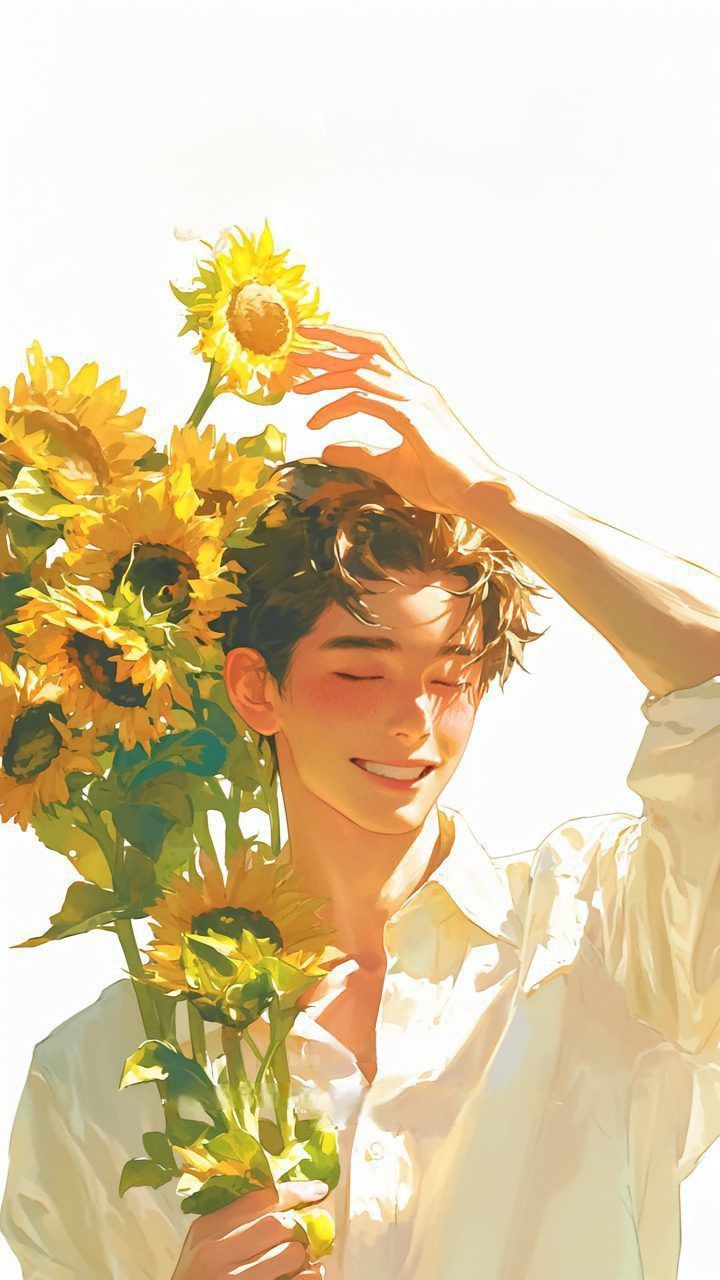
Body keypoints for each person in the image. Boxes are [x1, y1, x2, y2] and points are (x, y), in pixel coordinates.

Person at [2, 322, 720, 1280]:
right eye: (359, 671)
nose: (413, 724)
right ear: (257, 687)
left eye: (451, 677)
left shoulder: (609, 936)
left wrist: (492, 499)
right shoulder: (101, 1074)